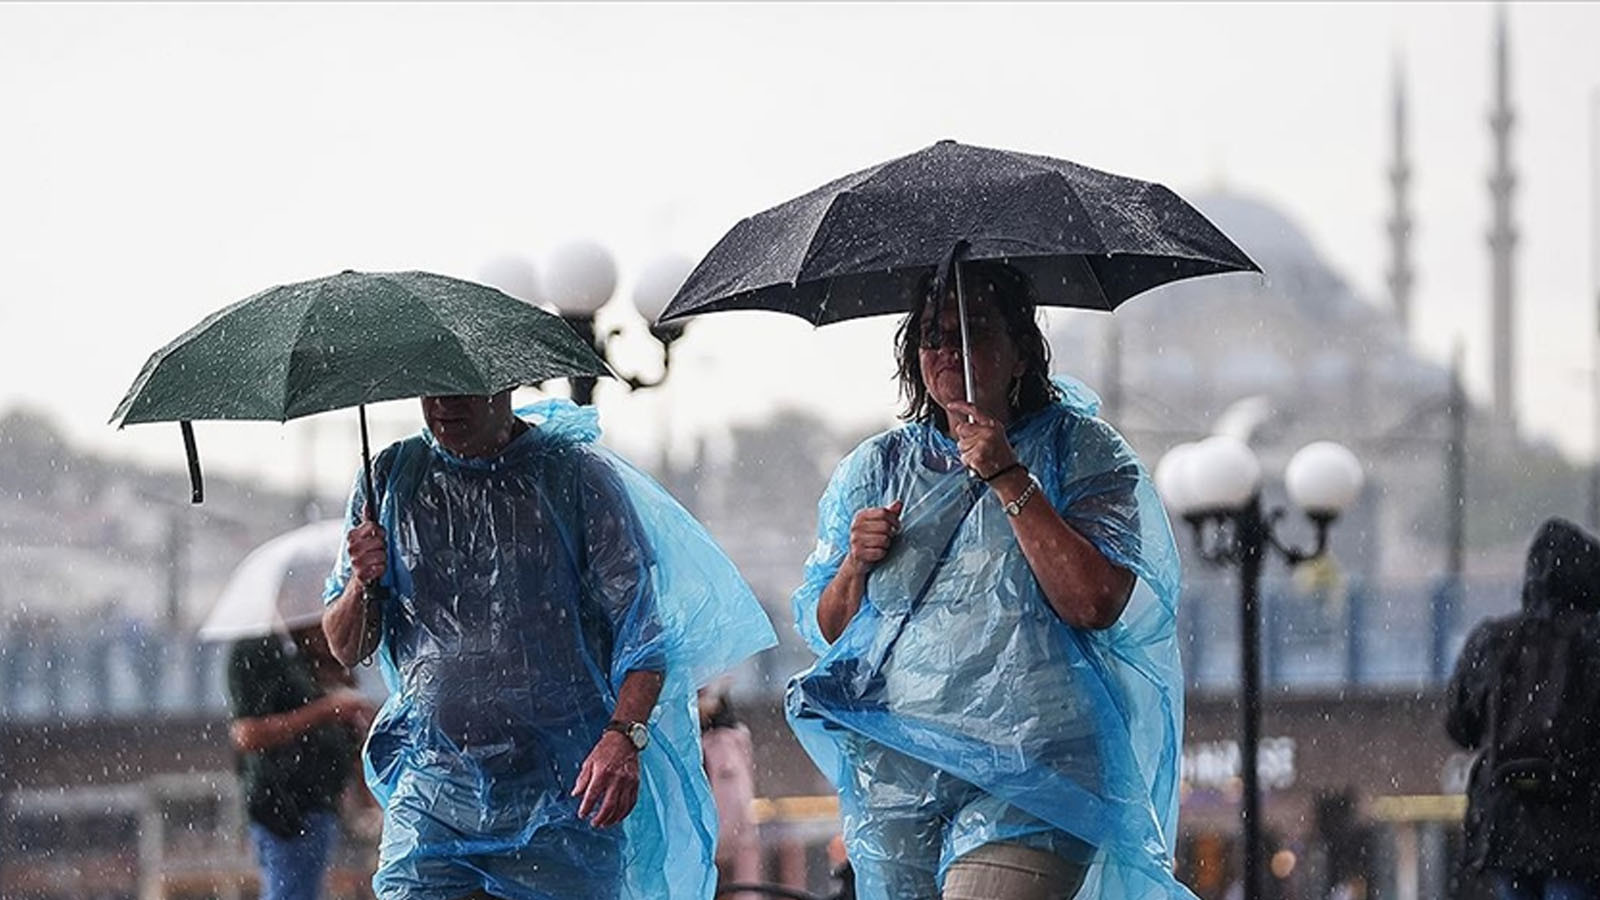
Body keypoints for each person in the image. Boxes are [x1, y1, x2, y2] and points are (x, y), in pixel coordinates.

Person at [787, 261, 1190, 900]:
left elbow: (1094, 601)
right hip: (901, 769)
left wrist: (1009, 477)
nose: (949, 350)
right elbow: (835, 631)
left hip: (1038, 763)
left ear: (1021, 351)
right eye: (932, 335)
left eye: (973, 330)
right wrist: (854, 565)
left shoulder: (1081, 450)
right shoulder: (879, 467)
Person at [322, 392, 774, 900]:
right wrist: (362, 582)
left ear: (503, 384)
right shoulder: (390, 480)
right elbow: (345, 645)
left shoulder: (576, 480)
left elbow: (643, 638)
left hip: (562, 798)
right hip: (434, 793)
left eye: (462, 389)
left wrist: (623, 736)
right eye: (432, 389)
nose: (444, 404)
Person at [1446, 517, 1600, 900]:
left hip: (1507, 824)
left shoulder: (1493, 640)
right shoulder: (1592, 640)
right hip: (1582, 827)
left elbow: (1461, 727)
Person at [228, 623, 375, 900]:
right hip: (286, 807)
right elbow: (247, 734)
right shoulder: (260, 650)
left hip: (317, 802)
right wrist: (326, 710)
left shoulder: (303, 658)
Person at [698, 682, 759, 897]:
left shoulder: (724, 743)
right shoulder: (720, 742)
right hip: (720, 837)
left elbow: (734, 800)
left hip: (724, 837)